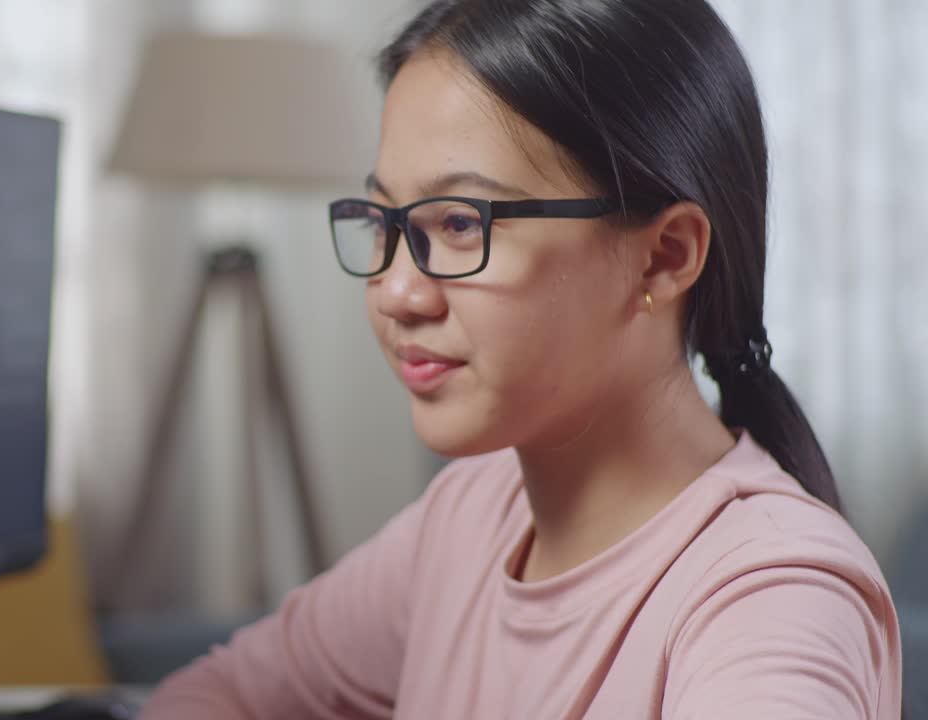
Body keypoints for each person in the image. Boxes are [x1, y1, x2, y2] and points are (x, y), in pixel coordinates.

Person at [138, 0, 902, 717]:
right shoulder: (470, 516)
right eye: (384, 220)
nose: (398, 291)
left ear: (664, 258)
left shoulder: (769, 595)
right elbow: (218, 693)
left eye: (462, 223)